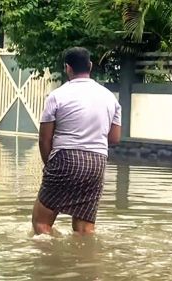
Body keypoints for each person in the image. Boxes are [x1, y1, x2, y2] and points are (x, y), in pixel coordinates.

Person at [31, 47, 122, 236]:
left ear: (67, 68)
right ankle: (84, 262)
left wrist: (50, 166)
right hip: (96, 163)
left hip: (65, 158)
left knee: (41, 223)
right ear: (90, 66)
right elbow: (114, 139)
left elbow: (44, 138)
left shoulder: (57, 95)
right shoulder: (109, 98)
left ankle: (47, 263)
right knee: (85, 230)